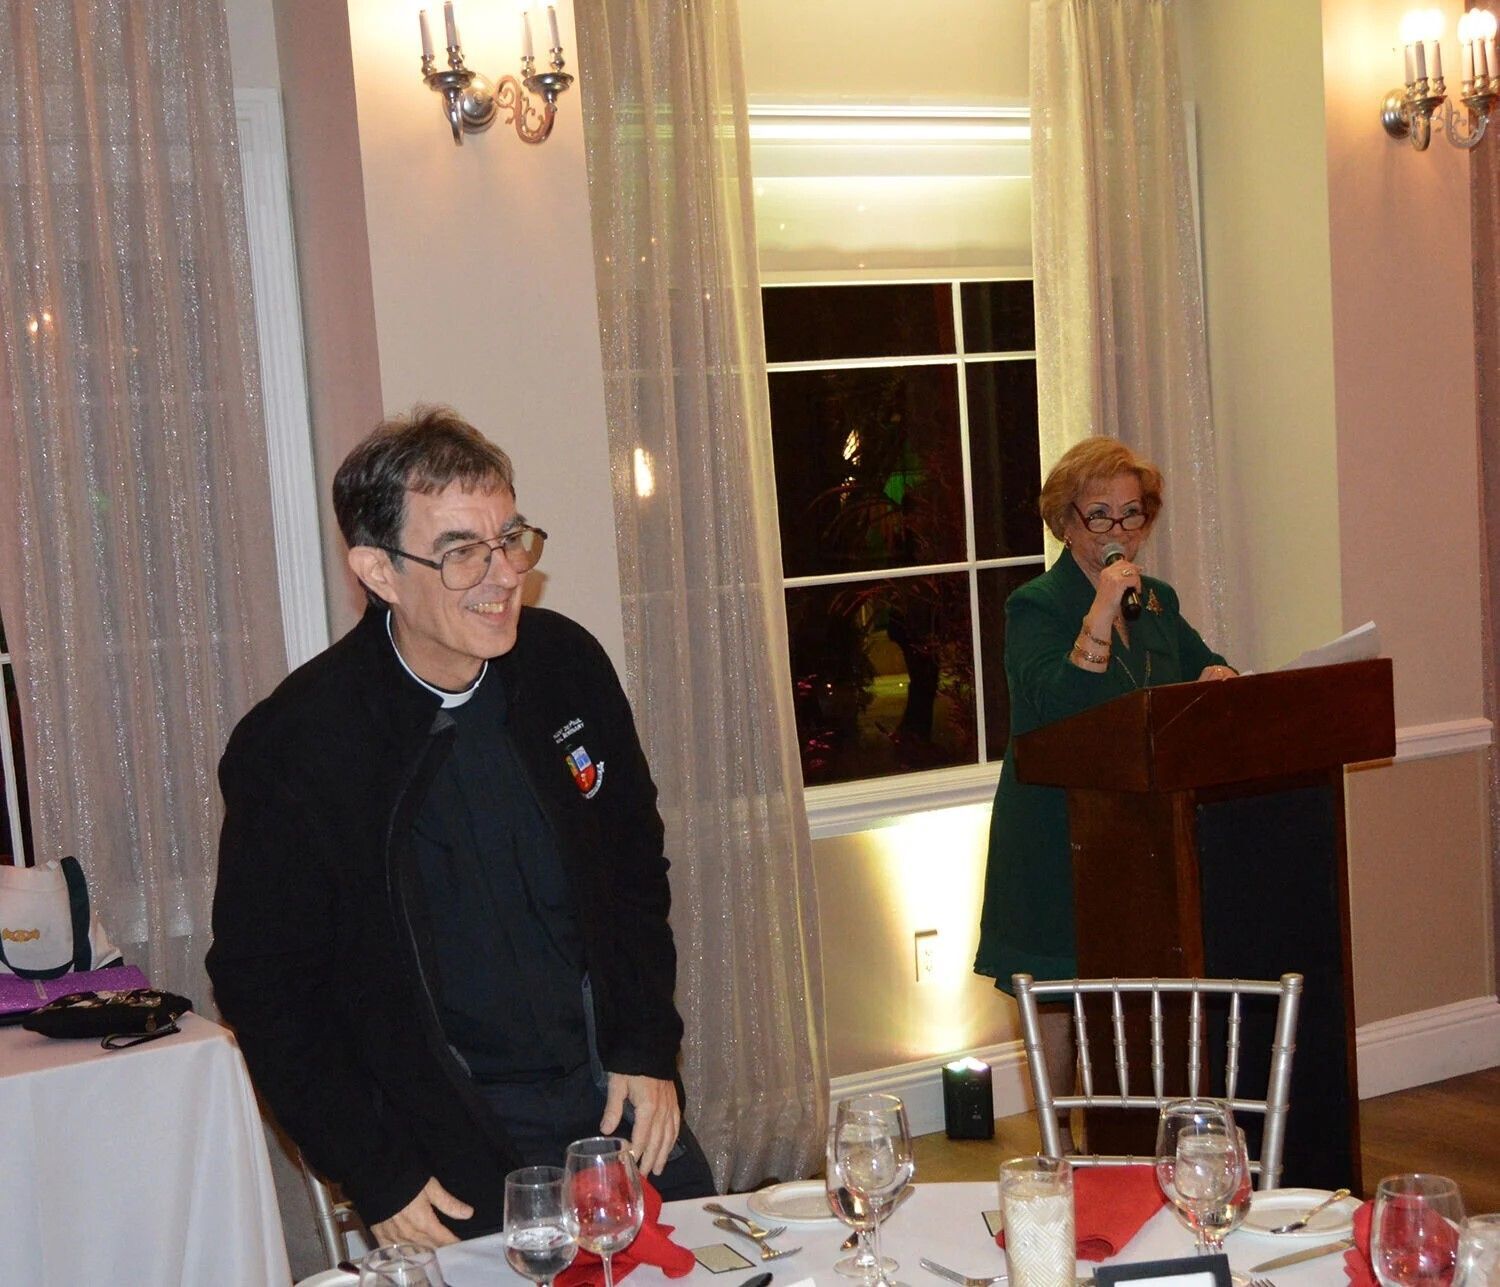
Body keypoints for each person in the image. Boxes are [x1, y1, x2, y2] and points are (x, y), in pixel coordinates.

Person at [207, 406, 715, 1248]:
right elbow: (267, 987)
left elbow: (631, 868)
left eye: (510, 537)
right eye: (459, 551)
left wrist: (646, 1043)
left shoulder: (564, 667)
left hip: (611, 1091)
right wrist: (372, 1165)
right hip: (447, 1130)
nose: (503, 573)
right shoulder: (297, 745)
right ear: (378, 570)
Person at [973, 437, 1235, 1140]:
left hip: (1138, 834)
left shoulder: (1158, 602)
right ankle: (1058, 1149)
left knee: (1130, 993)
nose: (1118, 533)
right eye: (1100, 516)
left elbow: (1202, 665)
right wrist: (1099, 609)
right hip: (1052, 830)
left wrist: (1217, 677)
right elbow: (1053, 700)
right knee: (1056, 993)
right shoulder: (1035, 606)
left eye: (1132, 515)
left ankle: (1132, 1141)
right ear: (1065, 522)